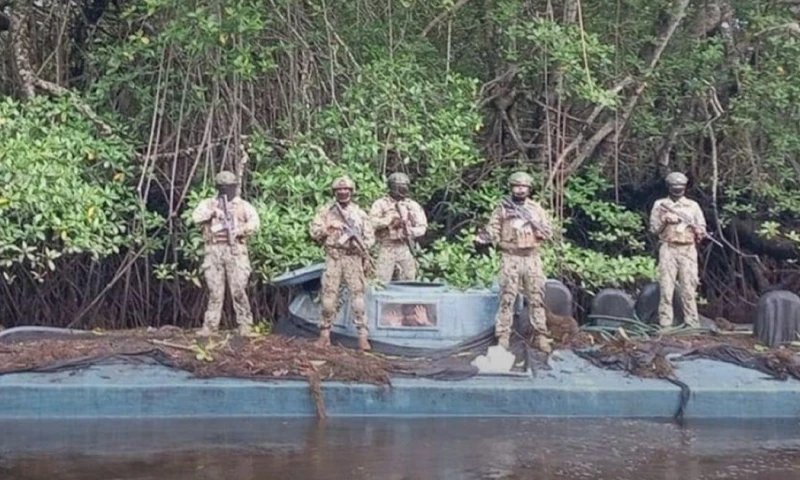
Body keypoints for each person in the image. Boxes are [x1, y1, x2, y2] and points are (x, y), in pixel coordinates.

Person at [475, 172, 554, 352]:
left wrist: (540, 231)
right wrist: (486, 237)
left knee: (536, 298)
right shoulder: (502, 208)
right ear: (511, 188)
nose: (520, 190)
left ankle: (540, 335)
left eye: (523, 187)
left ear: (529, 189)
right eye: (517, 186)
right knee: (507, 298)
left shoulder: (536, 209)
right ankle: (503, 336)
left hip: (532, 258)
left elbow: (548, 230)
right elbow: (493, 229)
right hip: (510, 257)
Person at [309, 176, 375, 350]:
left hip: (353, 258)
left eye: (346, 189)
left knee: (358, 299)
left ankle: (362, 336)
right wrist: (329, 227)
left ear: (351, 191)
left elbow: (370, 239)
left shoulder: (359, 214)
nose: (343, 192)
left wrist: (358, 243)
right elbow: (314, 232)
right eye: (339, 190)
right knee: (328, 298)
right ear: (334, 192)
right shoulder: (326, 211)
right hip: (334, 257)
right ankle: (324, 334)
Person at [192, 171, 260, 337]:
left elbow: (255, 223)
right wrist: (213, 213)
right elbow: (196, 217)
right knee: (215, 291)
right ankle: (210, 326)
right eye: (222, 187)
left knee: (238, 289)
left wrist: (240, 230)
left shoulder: (243, 206)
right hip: (214, 250)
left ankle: (245, 324)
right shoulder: (208, 204)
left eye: (228, 187)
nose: (225, 190)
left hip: (235, 250)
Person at [649, 171, 707, 328]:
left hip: (688, 249)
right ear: (669, 186)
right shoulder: (660, 205)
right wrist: (665, 221)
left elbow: (702, 228)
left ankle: (692, 323)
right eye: (675, 186)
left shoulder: (692, 206)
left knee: (689, 287)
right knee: (666, 287)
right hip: (668, 248)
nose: (677, 189)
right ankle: (665, 323)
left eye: (680, 186)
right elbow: (654, 229)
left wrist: (699, 231)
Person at [369, 172, 428, 283]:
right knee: (381, 280)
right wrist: (389, 220)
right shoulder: (380, 204)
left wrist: (409, 231)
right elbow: (372, 223)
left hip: (404, 246)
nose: (402, 190)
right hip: (387, 246)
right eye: (399, 187)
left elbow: (422, 227)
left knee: (409, 279)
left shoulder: (412, 205)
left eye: (404, 187)